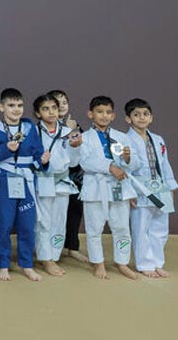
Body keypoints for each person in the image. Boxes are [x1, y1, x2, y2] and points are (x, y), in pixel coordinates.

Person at [0, 88, 48, 282]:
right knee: (4, 224)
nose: (16, 109)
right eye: (11, 105)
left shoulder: (30, 128)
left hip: (27, 179)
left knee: (27, 225)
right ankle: (3, 264)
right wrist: (6, 148)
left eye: (20, 105)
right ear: (1, 107)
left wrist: (42, 160)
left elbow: (38, 153)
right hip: (5, 179)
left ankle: (26, 264)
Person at [79, 96, 139, 280]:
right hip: (95, 188)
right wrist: (110, 167)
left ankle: (122, 263)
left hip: (119, 187)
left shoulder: (122, 137)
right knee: (94, 229)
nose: (104, 116)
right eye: (99, 112)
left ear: (113, 115)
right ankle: (98, 263)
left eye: (108, 112)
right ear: (91, 114)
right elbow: (85, 161)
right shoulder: (84, 138)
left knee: (122, 228)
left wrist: (128, 159)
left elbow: (134, 164)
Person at [31, 94, 82, 276]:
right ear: (38, 113)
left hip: (63, 180)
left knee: (59, 221)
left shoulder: (68, 131)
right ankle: (46, 259)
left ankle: (54, 254)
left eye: (54, 108)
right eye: (45, 109)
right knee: (44, 221)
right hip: (43, 180)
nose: (51, 112)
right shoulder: (33, 132)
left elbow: (74, 162)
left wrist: (75, 146)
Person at [125, 98, 176, 277]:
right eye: (136, 114)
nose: (142, 118)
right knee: (141, 227)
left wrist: (170, 186)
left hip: (160, 186)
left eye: (145, 114)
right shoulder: (125, 140)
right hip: (140, 188)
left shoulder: (158, 139)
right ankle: (145, 264)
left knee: (160, 227)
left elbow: (165, 164)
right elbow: (124, 169)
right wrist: (129, 192)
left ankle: (157, 262)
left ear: (151, 117)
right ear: (128, 119)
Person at [48, 89, 90, 263]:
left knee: (74, 210)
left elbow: (81, 153)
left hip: (74, 176)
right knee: (51, 215)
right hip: (51, 175)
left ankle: (71, 247)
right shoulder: (45, 127)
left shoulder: (74, 125)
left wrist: (72, 131)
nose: (62, 106)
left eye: (65, 102)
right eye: (58, 103)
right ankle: (47, 250)